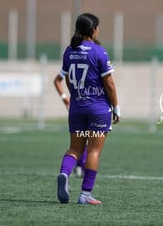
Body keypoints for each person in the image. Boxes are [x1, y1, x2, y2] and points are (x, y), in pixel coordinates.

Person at [56, 13, 121, 205]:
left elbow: (67, 78)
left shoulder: (69, 51)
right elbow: (109, 84)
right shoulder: (99, 51)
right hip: (98, 108)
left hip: (77, 107)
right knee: (93, 151)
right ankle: (85, 195)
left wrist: (75, 95)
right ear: (93, 30)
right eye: (97, 27)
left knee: (75, 148)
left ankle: (64, 173)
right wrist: (116, 107)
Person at [53, 74, 87, 177]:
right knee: (84, 141)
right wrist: (65, 98)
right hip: (88, 106)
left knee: (80, 141)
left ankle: (78, 167)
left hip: (80, 105)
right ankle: (82, 167)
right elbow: (57, 80)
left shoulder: (74, 59)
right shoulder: (72, 60)